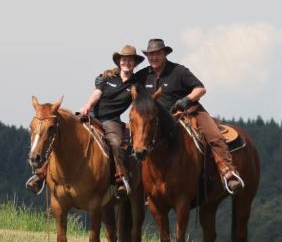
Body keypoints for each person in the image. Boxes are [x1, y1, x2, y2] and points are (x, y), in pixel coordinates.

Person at [25, 45, 142, 197]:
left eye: (130, 60)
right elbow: (97, 94)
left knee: (116, 143)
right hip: (91, 114)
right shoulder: (107, 77)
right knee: (61, 134)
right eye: (124, 59)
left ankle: (120, 178)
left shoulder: (135, 85)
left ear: (135, 64)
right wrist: (87, 106)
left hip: (111, 121)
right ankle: (41, 175)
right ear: (119, 61)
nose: (127, 63)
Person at [133, 38, 244, 194]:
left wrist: (187, 99)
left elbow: (200, 89)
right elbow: (127, 85)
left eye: (157, 54)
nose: (154, 57)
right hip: (156, 120)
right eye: (150, 55)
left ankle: (228, 172)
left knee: (214, 135)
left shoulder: (179, 71)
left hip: (187, 112)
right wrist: (109, 76)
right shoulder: (142, 75)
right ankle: (134, 184)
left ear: (164, 54)